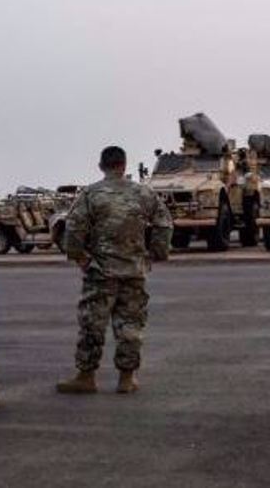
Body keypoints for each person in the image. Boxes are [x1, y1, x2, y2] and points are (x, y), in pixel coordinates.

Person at [57, 146, 171, 394]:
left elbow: (73, 228)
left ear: (101, 166)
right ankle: (126, 379)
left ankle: (86, 376)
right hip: (133, 270)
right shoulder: (143, 193)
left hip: (101, 271)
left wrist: (80, 257)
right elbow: (164, 222)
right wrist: (156, 253)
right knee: (130, 325)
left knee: (92, 324)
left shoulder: (91, 194)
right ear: (124, 165)